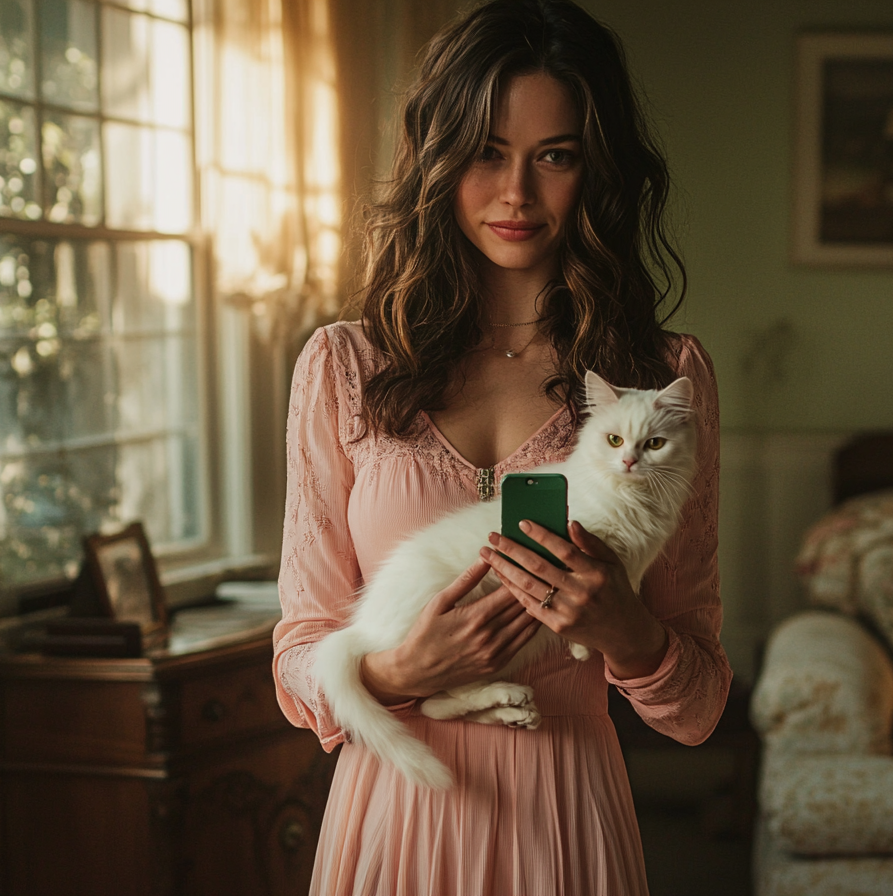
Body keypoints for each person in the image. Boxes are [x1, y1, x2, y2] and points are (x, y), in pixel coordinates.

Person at [272, 1, 731, 893]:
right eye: (486, 150)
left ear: (594, 171)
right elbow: (300, 651)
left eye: (553, 155)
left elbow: (699, 708)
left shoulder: (661, 379)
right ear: (439, 159)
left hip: (564, 815)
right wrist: (402, 669)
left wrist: (627, 633)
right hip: (394, 811)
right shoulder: (344, 365)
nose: (516, 193)